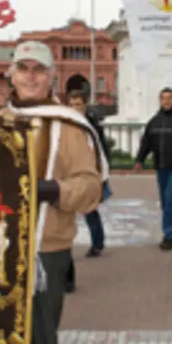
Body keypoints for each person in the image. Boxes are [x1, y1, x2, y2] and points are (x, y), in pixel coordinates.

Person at [0, 40, 106, 344]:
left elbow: (90, 189)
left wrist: (53, 190)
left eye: (40, 70)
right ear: (11, 75)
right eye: (24, 69)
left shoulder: (69, 127)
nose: (31, 77)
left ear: (51, 78)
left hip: (44, 253)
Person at [134, 88, 172, 250]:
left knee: (170, 198)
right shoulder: (154, 121)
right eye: (164, 98)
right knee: (166, 201)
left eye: (170, 98)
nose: (167, 101)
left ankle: (168, 235)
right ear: (160, 101)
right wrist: (139, 160)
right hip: (161, 167)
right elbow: (146, 143)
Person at [67, 90, 109, 258]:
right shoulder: (66, 124)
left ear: (84, 105)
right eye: (71, 104)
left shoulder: (91, 126)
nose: (74, 108)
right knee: (67, 209)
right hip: (70, 173)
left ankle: (97, 243)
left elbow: (101, 151)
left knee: (89, 209)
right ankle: (65, 245)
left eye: (78, 104)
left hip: (89, 173)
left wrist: (102, 175)